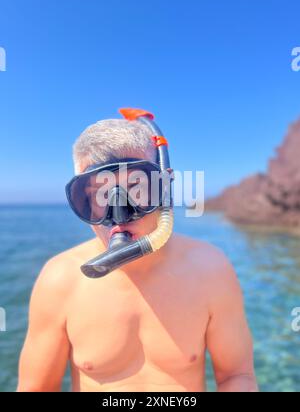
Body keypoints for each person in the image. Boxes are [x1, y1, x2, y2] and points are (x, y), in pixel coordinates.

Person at [18, 109, 257, 392]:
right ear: (82, 200)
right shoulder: (60, 279)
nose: (120, 213)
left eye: (136, 187)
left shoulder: (210, 270)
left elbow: (235, 377)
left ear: (164, 188)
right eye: (101, 194)